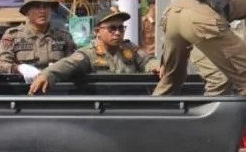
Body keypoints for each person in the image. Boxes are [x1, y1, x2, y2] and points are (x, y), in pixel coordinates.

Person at [28, 11, 159, 94]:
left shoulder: (130, 49)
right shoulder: (89, 53)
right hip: (100, 107)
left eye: (121, 28)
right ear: (97, 32)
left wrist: (156, 66)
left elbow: (148, 61)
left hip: (130, 105)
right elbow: (69, 64)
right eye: (112, 28)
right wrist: (47, 75)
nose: (118, 32)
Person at [0, 0, 75, 80]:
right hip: (22, 89)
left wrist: (59, 69)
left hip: (57, 89)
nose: (42, 11)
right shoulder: (13, 36)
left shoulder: (64, 36)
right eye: (37, 7)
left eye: (46, 6)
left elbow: (75, 63)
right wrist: (19, 68)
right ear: (26, 11)